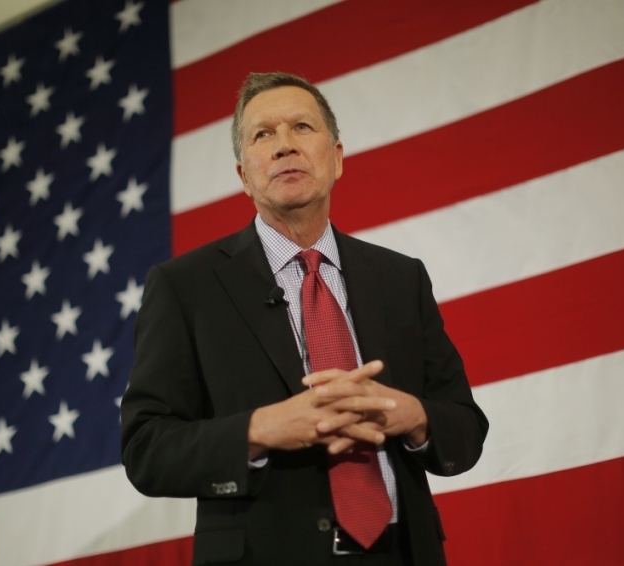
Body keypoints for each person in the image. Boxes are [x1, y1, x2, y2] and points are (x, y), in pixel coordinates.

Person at [120, 72, 488, 566]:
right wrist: (260, 428)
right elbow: (147, 449)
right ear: (244, 175)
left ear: (336, 159)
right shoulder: (186, 286)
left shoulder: (400, 278)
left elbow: (465, 426)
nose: (284, 146)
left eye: (301, 127)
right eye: (263, 135)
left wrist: (412, 415)